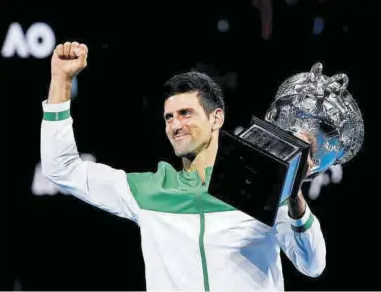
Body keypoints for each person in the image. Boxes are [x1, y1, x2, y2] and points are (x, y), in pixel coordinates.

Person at [41, 41, 326, 291]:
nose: (175, 125)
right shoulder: (146, 192)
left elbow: (312, 264)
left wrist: (294, 194)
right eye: (168, 117)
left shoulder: (262, 184)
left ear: (216, 118)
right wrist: (61, 80)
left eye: (186, 113)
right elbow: (61, 168)